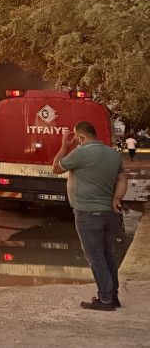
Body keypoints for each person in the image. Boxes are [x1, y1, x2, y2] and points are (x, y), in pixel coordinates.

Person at [53, 121, 128, 311]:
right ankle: (113, 296)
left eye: (77, 138)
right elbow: (122, 178)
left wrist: (64, 146)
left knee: (96, 257)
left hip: (88, 214)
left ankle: (105, 299)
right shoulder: (113, 154)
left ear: (81, 136)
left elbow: (56, 168)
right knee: (107, 254)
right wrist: (117, 198)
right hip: (110, 214)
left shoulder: (81, 152)